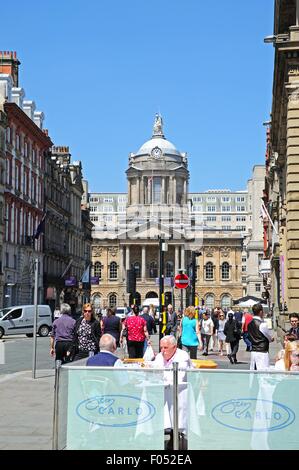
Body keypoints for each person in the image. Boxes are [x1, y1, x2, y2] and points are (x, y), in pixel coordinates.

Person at [248, 303, 274, 370]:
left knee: (253, 372)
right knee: (263, 373)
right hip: (262, 351)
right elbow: (269, 338)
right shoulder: (263, 324)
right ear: (261, 312)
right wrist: (272, 339)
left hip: (253, 350)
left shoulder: (249, 324)